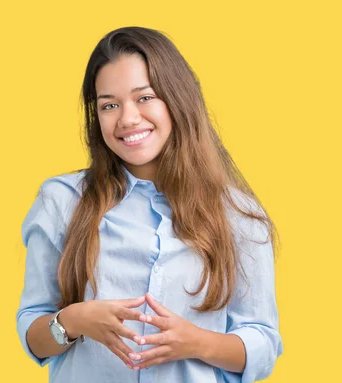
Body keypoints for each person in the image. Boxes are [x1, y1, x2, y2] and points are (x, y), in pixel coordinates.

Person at [15, 26, 283, 383]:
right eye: (109, 104)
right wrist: (76, 320)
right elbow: (34, 333)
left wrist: (197, 343)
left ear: (177, 98)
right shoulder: (62, 201)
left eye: (145, 97)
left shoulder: (238, 215)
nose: (127, 118)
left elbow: (263, 342)